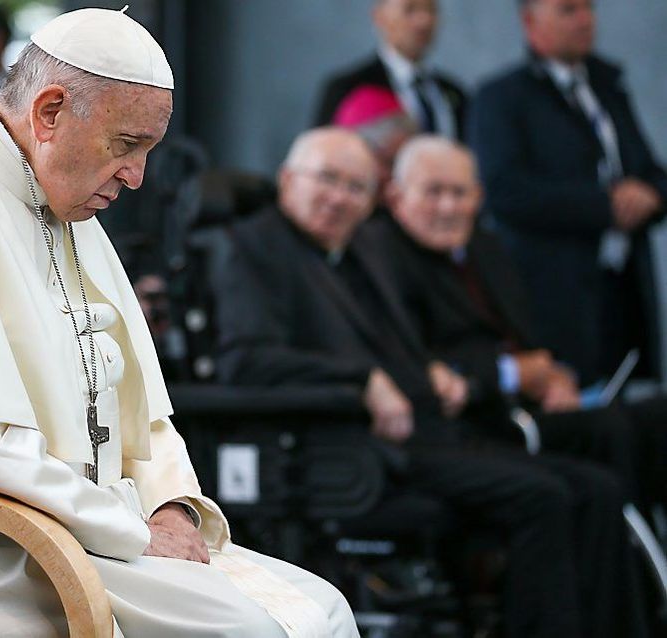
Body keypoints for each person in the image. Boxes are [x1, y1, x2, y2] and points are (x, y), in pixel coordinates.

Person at [0, 8, 357, 637]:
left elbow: (139, 411)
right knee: (249, 632)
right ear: (48, 113)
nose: (137, 176)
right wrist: (129, 528)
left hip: (69, 530)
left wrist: (172, 505)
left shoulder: (65, 207)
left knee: (322, 609)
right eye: (127, 145)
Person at [215, 126, 641, 638]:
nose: (339, 198)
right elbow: (245, 361)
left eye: (356, 187)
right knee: (543, 494)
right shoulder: (253, 248)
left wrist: (428, 370)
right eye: (327, 180)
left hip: (430, 429)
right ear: (288, 179)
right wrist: (364, 379)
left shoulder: (356, 251)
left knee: (596, 486)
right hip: (355, 447)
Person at [375, 134, 667, 526]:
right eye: (433, 192)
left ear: (478, 197)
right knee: (609, 442)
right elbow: (414, 360)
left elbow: (526, 341)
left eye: (459, 193)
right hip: (474, 422)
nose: (448, 206)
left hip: (527, 404)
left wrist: (554, 376)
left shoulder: (486, 246)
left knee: (655, 417)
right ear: (396, 195)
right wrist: (515, 374)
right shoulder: (381, 259)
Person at [471, 0, 667, 386]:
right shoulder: (501, 97)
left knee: (629, 407)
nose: (585, 20)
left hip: (621, 286)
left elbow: (648, 169)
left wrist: (651, 195)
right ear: (531, 22)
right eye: (568, 10)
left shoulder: (607, 87)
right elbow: (504, 192)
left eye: (589, 9)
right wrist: (604, 206)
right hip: (553, 293)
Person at [313, 0, 465, 139]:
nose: (424, 20)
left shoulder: (455, 93)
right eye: (410, 9)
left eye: (432, 10)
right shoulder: (349, 89)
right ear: (379, 17)